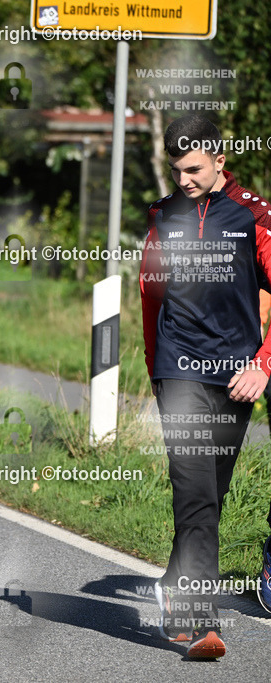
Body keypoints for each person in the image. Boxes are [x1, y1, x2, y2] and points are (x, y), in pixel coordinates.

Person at [139, 113, 271, 659]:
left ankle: (175, 589)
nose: (184, 180)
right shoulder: (162, 215)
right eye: (176, 170)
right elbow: (150, 293)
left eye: (194, 169)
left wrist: (264, 362)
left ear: (220, 160)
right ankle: (199, 623)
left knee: (210, 496)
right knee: (193, 494)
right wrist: (157, 369)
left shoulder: (252, 216)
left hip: (237, 376)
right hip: (179, 369)